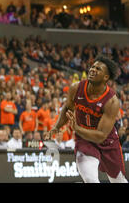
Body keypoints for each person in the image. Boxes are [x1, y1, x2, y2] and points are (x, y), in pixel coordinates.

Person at [46, 55, 127, 183]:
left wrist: (77, 128)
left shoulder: (112, 101)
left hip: (107, 141)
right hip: (84, 140)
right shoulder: (76, 88)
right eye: (93, 66)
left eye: (98, 69)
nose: (93, 69)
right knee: (90, 179)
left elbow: (101, 136)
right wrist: (56, 127)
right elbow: (67, 109)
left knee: (119, 180)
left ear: (106, 77)